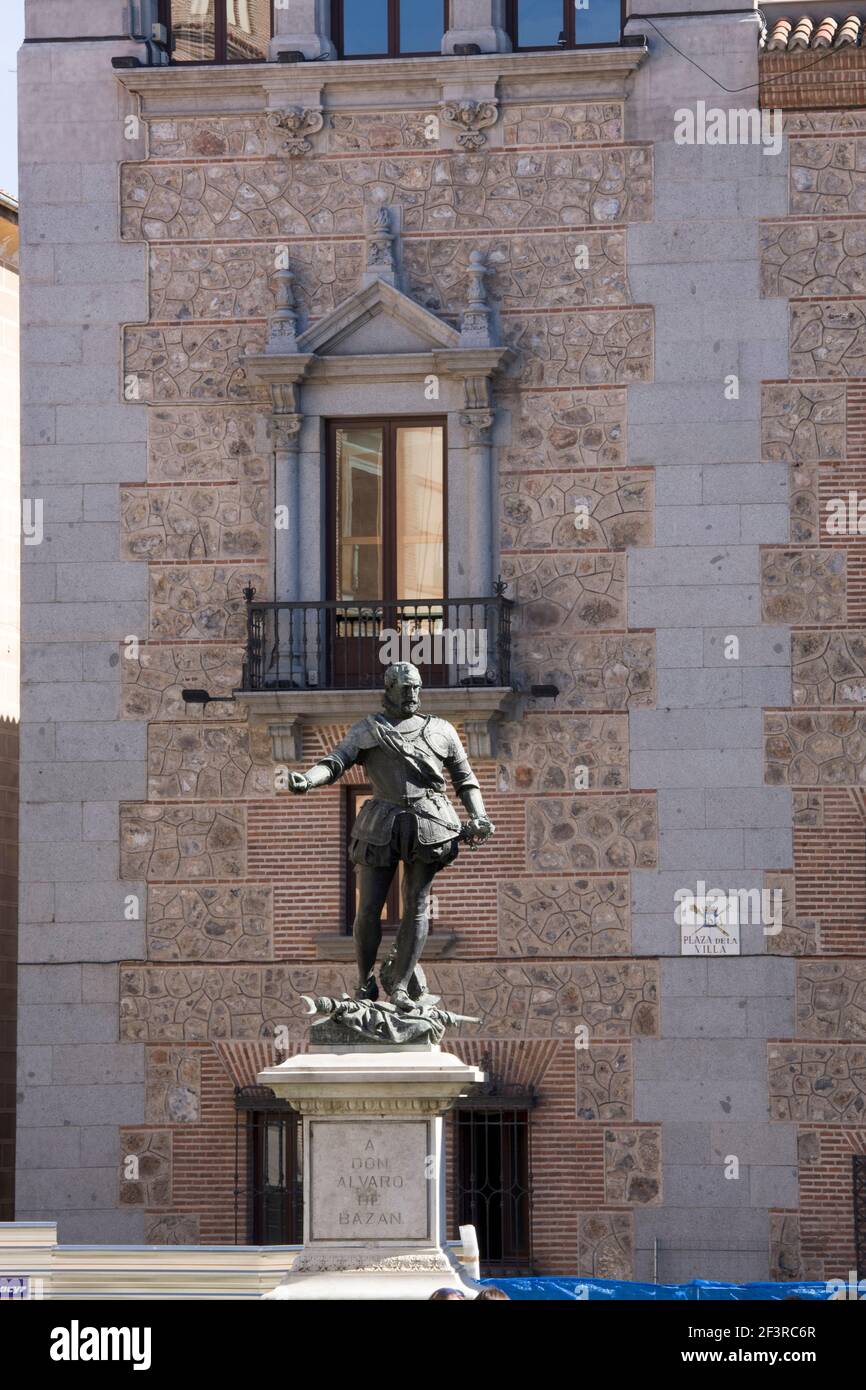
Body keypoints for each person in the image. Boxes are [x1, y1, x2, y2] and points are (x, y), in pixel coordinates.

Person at [288, 662, 494, 1009]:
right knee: (368, 908)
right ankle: (364, 981)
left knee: (416, 904)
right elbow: (336, 761)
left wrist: (479, 815)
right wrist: (308, 779)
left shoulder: (442, 730)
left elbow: (465, 779)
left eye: (416, 687)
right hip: (380, 822)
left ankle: (400, 985)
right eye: (404, 688)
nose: (412, 694)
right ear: (389, 689)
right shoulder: (368, 730)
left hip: (428, 822)